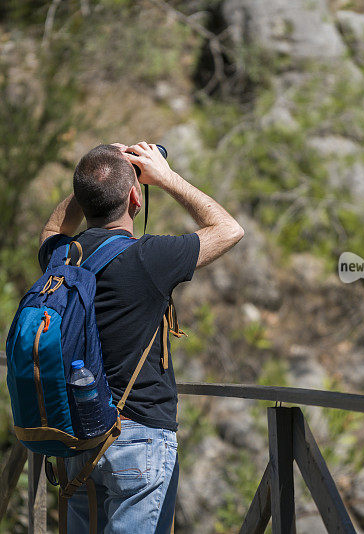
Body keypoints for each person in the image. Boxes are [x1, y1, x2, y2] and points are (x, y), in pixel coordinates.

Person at [38, 141, 243, 533]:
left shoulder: (64, 257)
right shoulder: (149, 257)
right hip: (139, 439)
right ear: (136, 197)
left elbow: (53, 228)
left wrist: (93, 177)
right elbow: (229, 229)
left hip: (78, 438)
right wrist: (166, 178)